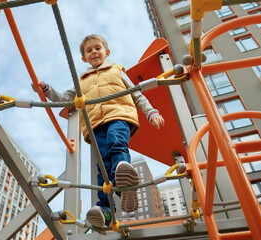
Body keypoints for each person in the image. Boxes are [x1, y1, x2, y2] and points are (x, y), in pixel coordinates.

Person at [32, 34, 164, 228]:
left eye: (97, 48)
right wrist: (46, 89)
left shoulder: (117, 70)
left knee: (116, 141)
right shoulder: (82, 81)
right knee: (102, 166)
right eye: (89, 50)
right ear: (84, 58)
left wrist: (151, 112)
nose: (94, 52)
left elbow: (136, 93)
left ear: (106, 52)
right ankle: (106, 209)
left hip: (119, 115)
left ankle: (123, 173)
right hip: (95, 125)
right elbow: (63, 97)